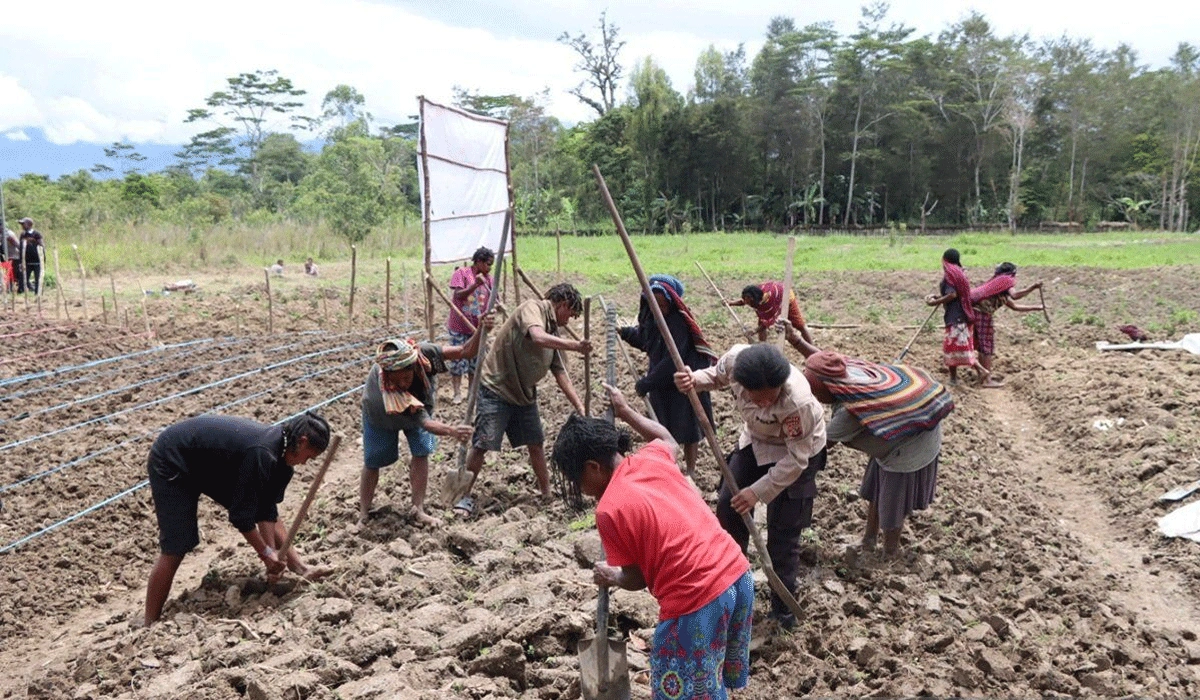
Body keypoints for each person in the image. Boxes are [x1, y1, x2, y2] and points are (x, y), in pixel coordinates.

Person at [551, 384, 754, 700]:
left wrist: (613, 576)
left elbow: (637, 578)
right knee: (710, 682)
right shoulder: (652, 457)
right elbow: (666, 438)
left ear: (593, 467)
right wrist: (627, 412)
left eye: (578, 479)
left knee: (685, 692)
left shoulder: (610, 508)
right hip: (737, 579)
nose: (580, 488)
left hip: (697, 602)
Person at [674, 343, 826, 630]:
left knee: (783, 534)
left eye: (772, 399)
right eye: (760, 399)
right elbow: (715, 377)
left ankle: (782, 613)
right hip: (756, 441)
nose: (766, 404)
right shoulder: (735, 363)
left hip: (797, 454)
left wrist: (757, 491)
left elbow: (796, 460)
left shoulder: (798, 403)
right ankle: (731, 590)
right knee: (728, 509)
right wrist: (694, 380)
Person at [144, 412, 333, 626]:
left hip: (207, 462)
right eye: (309, 457)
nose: (306, 463)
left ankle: (300, 567)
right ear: (302, 441)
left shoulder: (282, 462)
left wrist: (274, 557)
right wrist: (265, 554)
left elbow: (267, 511)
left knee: (260, 505)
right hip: (174, 458)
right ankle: (149, 623)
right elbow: (241, 518)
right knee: (177, 545)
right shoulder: (262, 453)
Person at [781, 324, 952, 559]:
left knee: (892, 499)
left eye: (813, 391)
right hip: (890, 438)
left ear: (828, 391)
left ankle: (890, 551)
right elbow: (821, 362)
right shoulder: (844, 371)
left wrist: (781, 461)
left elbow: (815, 446)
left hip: (911, 443)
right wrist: (796, 340)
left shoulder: (851, 413)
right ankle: (868, 540)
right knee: (875, 489)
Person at [457, 283, 591, 516]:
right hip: (497, 388)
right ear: (563, 304)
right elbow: (537, 337)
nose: (569, 321)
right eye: (570, 314)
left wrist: (580, 406)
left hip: (523, 393)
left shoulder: (553, 331)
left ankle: (546, 493)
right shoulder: (532, 308)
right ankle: (463, 495)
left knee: (536, 441)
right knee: (483, 442)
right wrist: (575, 346)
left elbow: (560, 374)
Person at [359, 322, 490, 526]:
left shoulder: (423, 353)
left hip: (420, 404)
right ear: (388, 375)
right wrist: (452, 431)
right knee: (373, 460)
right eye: (397, 380)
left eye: (406, 377)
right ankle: (364, 513)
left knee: (421, 451)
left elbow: (465, 350)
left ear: (414, 365)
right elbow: (425, 423)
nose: (403, 383)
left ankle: (418, 508)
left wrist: (482, 327)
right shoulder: (389, 392)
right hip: (380, 416)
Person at [618, 274, 717, 475]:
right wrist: (626, 333)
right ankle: (667, 468)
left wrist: (647, 382)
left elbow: (673, 359)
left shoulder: (678, 322)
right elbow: (647, 341)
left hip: (683, 379)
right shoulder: (650, 316)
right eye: (656, 304)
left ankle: (689, 471)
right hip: (661, 382)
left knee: (689, 430)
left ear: (671, 302)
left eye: (663, 305)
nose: (660, 309)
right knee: (661, 427)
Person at [969, 262, 1044, 388]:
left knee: (983, 346)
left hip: (976, 313)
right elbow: (1015, 296)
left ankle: (983, 375)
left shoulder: (997, 287)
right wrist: (1032, 287)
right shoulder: (1006, 281)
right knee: (987, 346)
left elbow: (1014, 307)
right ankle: (987, 380)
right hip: (982, 313)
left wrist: (1037, 307)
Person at [924, 249, 990, 385]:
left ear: (944, 259)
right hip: (962, 315)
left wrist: (935, 302)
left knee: (955, 348)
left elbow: (952, 295)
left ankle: (980, 371)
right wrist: (939, 297)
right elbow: (954, 294)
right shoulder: (958, 273)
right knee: (958, 348)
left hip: (956, 317)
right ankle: (954, 378)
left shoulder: (950, 274)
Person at [447, 247, 494, 404]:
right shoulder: (462, 273)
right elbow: (458, 295)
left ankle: (472, 392)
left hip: (477, 327)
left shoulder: (489, 279)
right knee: (458, 359)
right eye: (488, 264)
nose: (489, 268)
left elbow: (493, 298)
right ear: (478, 262)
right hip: (459, 325)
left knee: (475, 361)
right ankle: (457, 393)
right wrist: (475, 285)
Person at [730, 281, 814, 343]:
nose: (746, 303)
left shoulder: (768, 305)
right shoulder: (756, 293)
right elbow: (744, 301)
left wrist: (754, 331)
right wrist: (730, 303)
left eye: (749, 303)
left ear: (755, 301)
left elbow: (767, 323)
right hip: (777, 293)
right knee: (761, 323)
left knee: (800, 326)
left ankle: (813, 351)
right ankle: (762, 346)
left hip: (787, 297)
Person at [17, 218, 43, 294]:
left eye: (23, 224)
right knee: (23, 277)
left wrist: (32, 242)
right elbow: (21, 248)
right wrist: (21, 260)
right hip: (26, 260)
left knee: (37, 277)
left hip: (36, 260)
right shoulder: (23, 235)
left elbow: (41, 245)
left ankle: (38, 293)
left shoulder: (36, 234)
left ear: (29, 224)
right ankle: (22, 291)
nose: (22, 226)